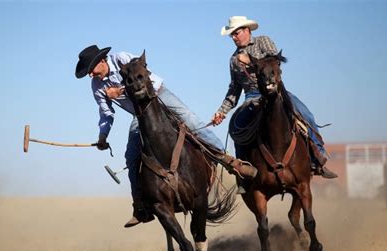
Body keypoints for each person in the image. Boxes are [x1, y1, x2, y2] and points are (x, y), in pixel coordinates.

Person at [75, 45, 257, 228]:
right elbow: (106, 113)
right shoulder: (97, 86)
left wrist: (120, 91)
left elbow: (146, 79)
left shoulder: (122, 59)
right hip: (141, 114)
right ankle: (139, 206)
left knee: (191, 120)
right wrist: (102, 136)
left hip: (159, 95)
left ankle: (230, 161)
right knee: (131, 155)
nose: (91, 75)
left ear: (101, 61)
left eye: (91, 70)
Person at [211, 16, 338, 182]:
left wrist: (249, 61)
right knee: (237, 127)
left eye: (236, 33)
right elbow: (234, 88)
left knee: (306, 114)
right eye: (231, 35)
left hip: (277, 91)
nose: (234, 37)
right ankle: (243, 174)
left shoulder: (263, 41)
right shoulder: (233, 60)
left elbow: (274, 61)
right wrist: (222, 112)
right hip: (252, 95)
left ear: (247, 30)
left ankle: (318, 158)